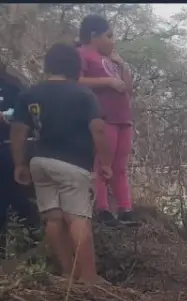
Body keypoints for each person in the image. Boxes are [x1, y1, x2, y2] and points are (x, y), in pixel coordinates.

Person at [10, 44, 110, 284]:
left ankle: (68, 273)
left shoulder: (29, 94)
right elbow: (98, 128)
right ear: (75, 67)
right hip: (72, 164)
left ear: (49, 66)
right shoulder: (83, 94)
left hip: (39, 162)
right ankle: (88, 277)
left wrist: (19, 163)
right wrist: (105, 163)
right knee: (77, 218)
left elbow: (18, 131)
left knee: (53, 218)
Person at [77, 14, 134, 226]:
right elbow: (77, 80)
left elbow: (128, 88)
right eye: (108, 36)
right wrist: (108, 81)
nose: (112, 40)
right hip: (103, 117)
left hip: (123, 118)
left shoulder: (111, 57)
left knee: (120, 166)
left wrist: (122, 65)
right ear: (94, 36)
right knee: (103, 163)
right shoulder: (82, 54)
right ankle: (103, 209)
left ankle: (125, 208)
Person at [0, 60, 38, 256]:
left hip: (11, 151)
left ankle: (32, 255)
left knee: (22, 204)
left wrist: (6, 116)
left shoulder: (13, 85)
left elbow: (26, 114)